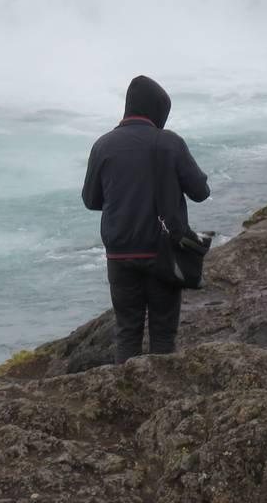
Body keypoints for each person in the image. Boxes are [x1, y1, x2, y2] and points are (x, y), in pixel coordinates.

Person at [82, 75, 211, 363]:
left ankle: (125, 400)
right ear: (157, 110)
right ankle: (160, 400)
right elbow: (201, 192)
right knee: (163, 335)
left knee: (127, 333)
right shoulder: (169, 143)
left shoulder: (103, 145)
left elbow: (91, 201)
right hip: (162, 254)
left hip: (119, 255)